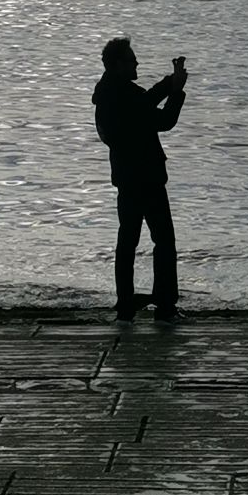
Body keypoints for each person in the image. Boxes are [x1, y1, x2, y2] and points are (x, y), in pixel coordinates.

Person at [92, 35, 187, 323]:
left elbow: (145, 105)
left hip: (126, 178)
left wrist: (171, 85)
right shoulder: (122, 96)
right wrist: (175, 89)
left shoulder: (109, 94)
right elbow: (163, 120)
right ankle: (165, 306)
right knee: (164, 241)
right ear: (117, 64)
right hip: (146, 178)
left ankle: (125, 305)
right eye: (132, 60)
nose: (137, 64)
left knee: (128, 242)